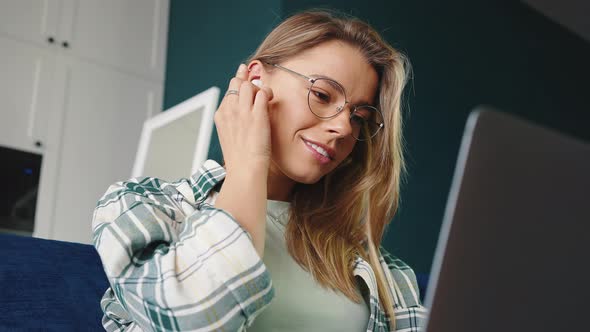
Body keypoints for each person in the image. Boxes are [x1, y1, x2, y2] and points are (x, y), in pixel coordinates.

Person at [92, 9, 428, 332]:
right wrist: (248, 162)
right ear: (255, 79)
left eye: (358, 118)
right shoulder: (141, 208)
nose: (343, 127)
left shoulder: (382, 271)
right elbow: (195, 321)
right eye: (323, 94)